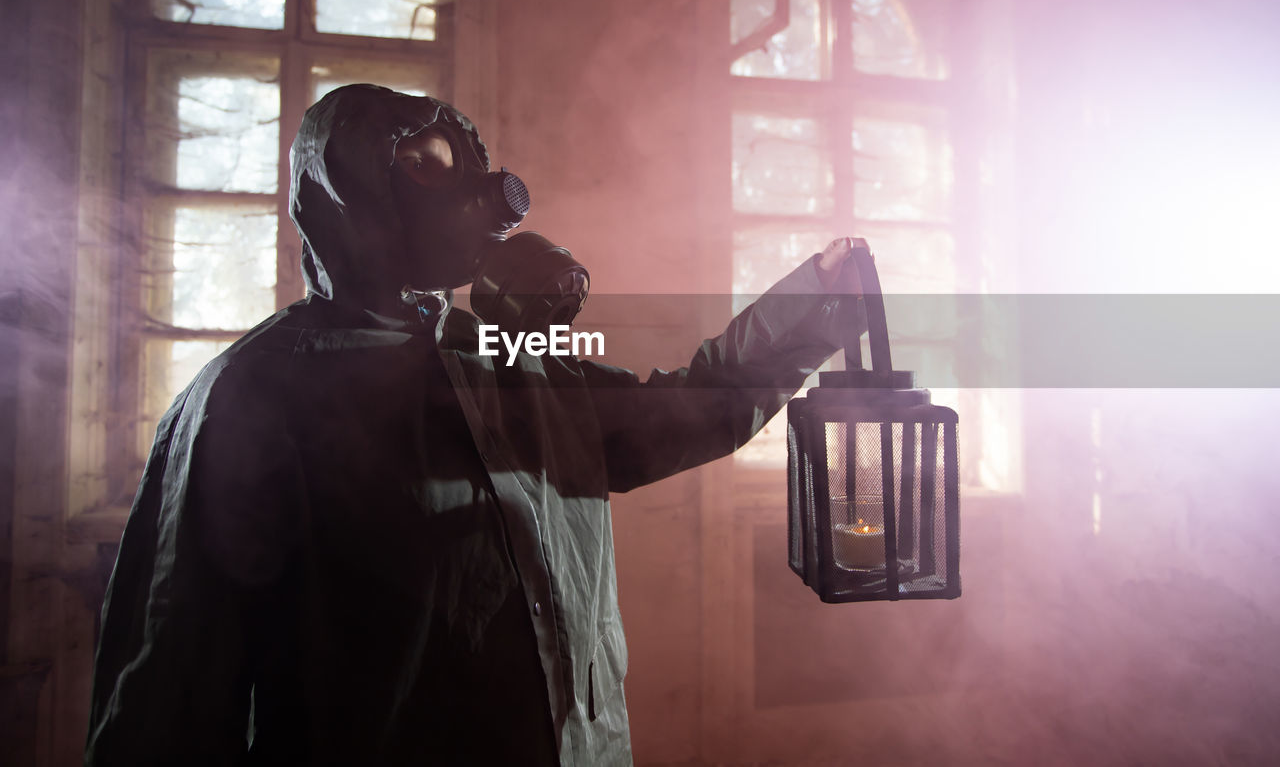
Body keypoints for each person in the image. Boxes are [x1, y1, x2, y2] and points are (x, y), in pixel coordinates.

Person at [85, 84, 867, 766]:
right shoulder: (249, 396)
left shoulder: (503, 361)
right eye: (423, 165)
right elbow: (167, 692)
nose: (472, 193)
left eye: (465, 162)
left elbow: (692, 407)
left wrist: (815, 300)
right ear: (346, 190)